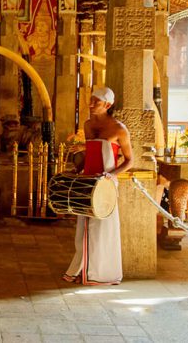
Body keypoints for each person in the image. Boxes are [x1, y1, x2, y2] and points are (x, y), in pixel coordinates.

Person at [63, 86, 133, 285]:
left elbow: (129, 161)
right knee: (83, 227)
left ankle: (100, 274)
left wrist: (110, 176)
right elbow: (91, 153)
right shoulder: (87, 125)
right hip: (87, 181)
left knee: (102, 228)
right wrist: (77, 170)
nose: (91, 104)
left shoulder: (119, 129)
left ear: (108, 105)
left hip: (106, 184)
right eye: (91, 100)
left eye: (97, 101)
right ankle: (82, 270)